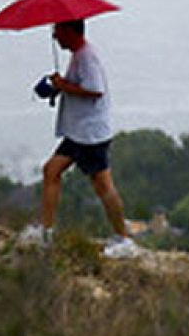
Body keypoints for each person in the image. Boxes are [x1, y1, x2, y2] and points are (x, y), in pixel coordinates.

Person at [17, 19, 139, 259]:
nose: (55, 37)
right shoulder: (77, 56)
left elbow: (95, 90)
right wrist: (59, 86)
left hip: (90, 135)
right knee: (51, 171)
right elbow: (80, 86)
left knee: (103, 186)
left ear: (70, 31)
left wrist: (64, 86)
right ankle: (46, 233)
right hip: (78, 133)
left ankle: (124, 240)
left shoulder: (87, 57)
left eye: (57, 31)